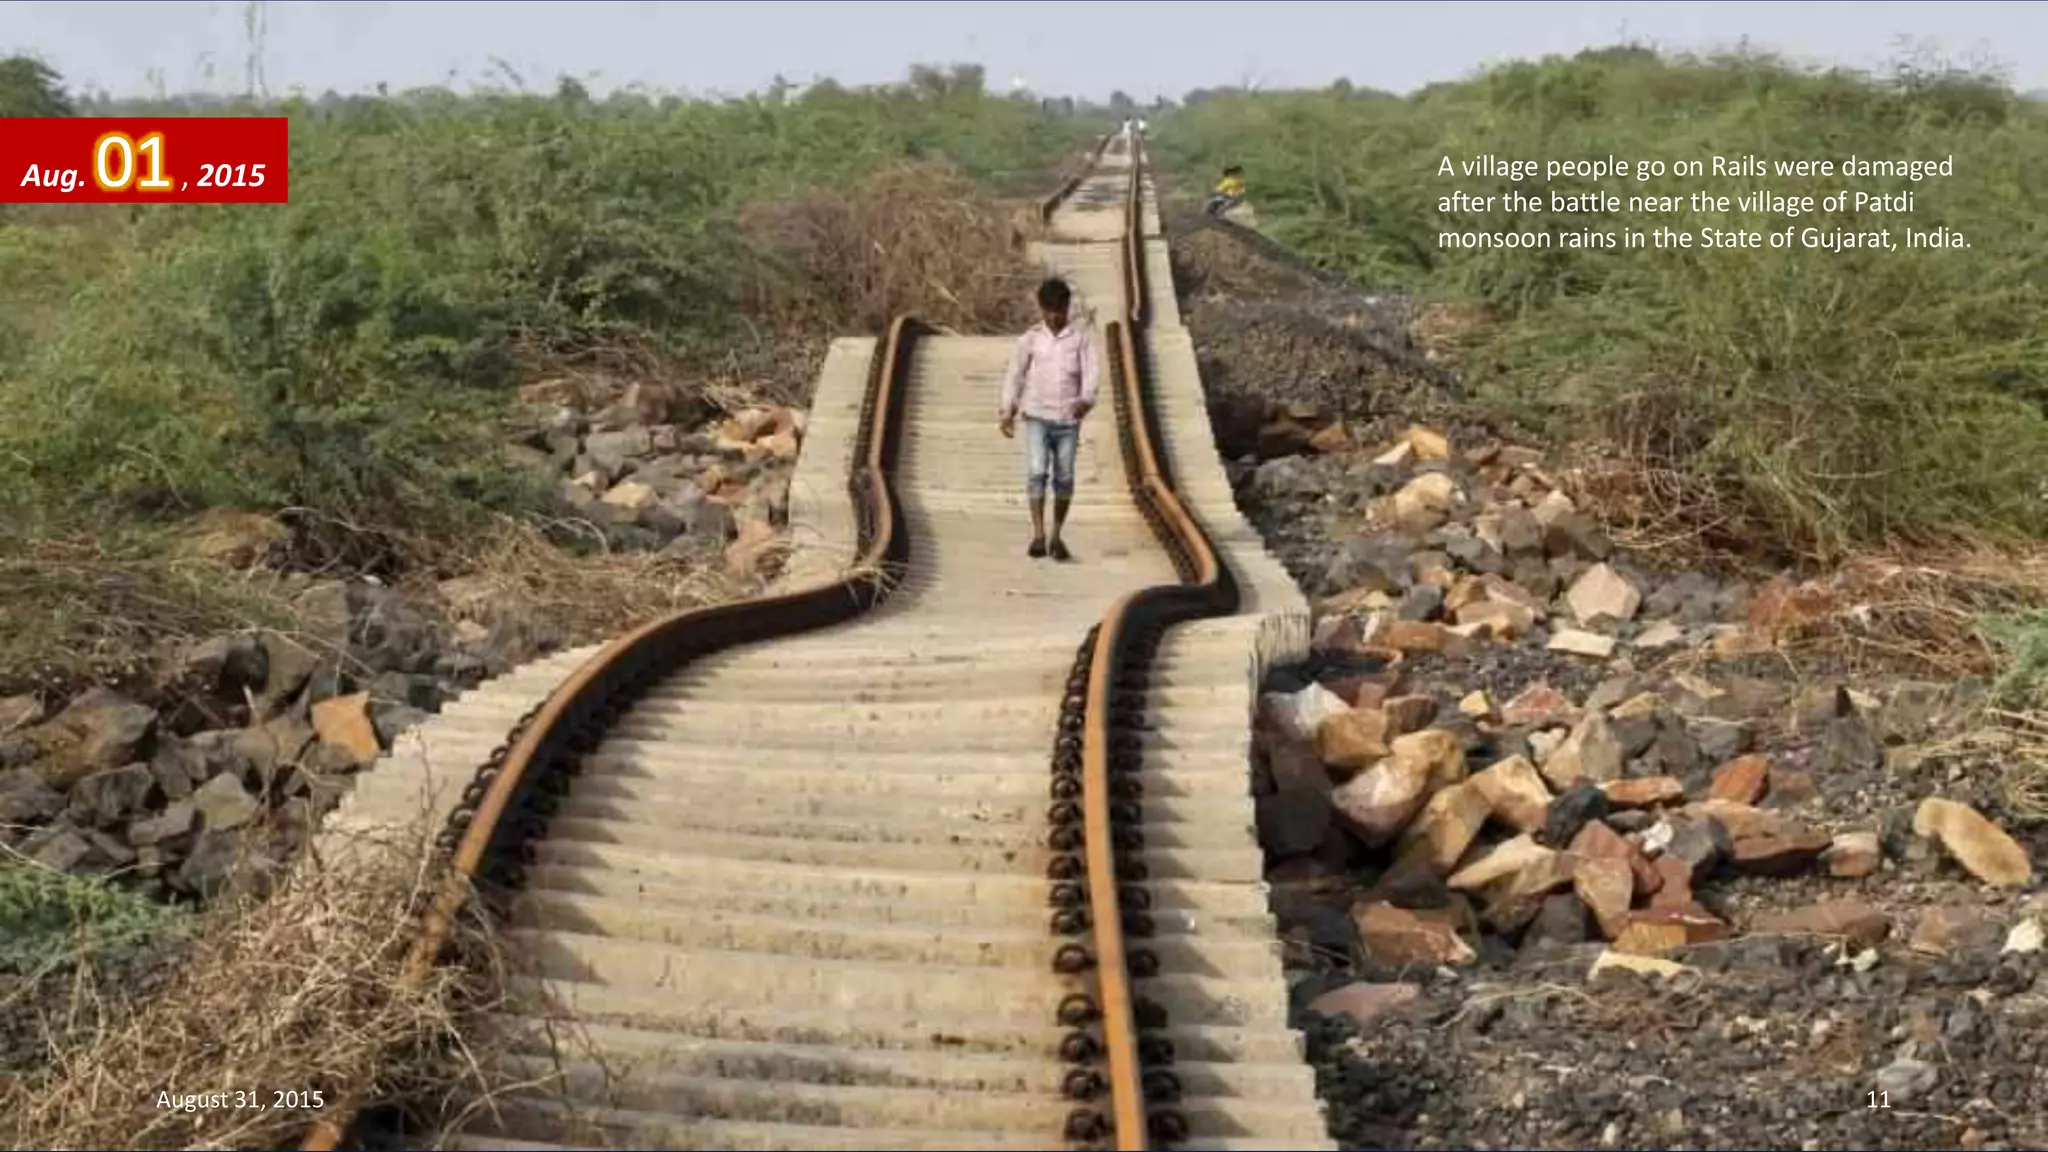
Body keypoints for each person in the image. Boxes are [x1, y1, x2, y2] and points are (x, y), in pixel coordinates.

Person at [998, 277, 1100, 562]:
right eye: (1050, 310)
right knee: (1037, 472)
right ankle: (1038, 535)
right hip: (1037, 417)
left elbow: (1091, 374)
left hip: (1068, 419)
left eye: (1060, 310)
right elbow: (1015, 375)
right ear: (1042, 310)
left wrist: (1086, 400)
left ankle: (1057, 534)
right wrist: (1008, 409)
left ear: (1068, 308)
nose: (1055, 316)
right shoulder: (1030, 339)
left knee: (1064, 478)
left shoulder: (1080, 340)